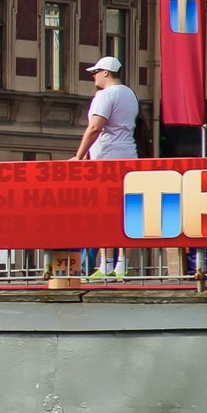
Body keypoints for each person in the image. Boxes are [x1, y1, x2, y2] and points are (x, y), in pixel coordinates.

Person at [74, 56, 140, 278]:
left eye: (96, 71)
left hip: (107, 159)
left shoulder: (106, 95)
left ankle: (106, 266)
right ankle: (122, 266)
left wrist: (79, 155)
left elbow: (95, 127)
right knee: (126, 211)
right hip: (128, 155)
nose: (93, 75)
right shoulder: (129, 93)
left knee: (104, 211)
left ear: (106, 73)